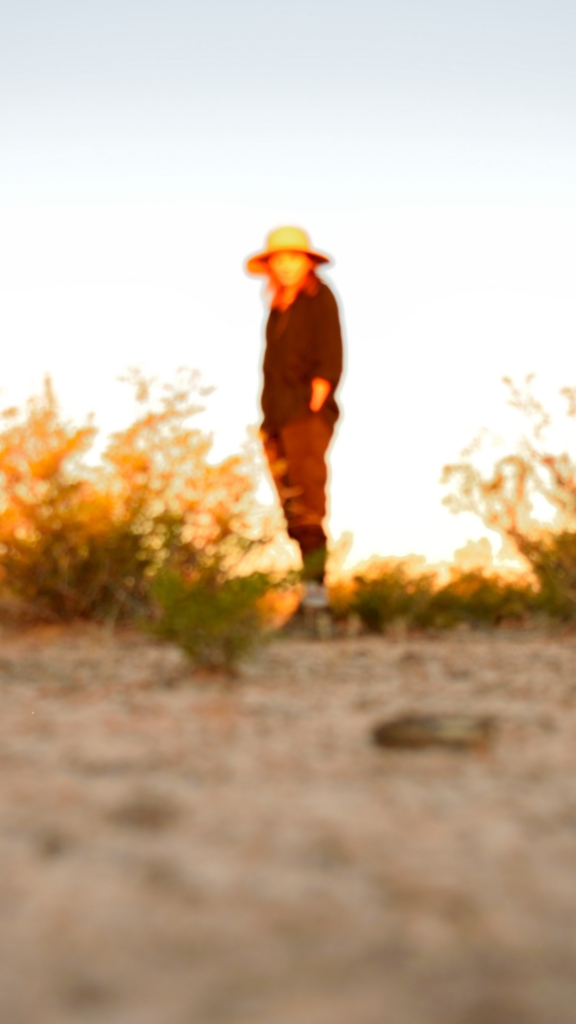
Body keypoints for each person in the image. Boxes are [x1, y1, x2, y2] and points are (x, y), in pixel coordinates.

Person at [245, 225, 344, 611]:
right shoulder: (276, 308)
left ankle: (318, 597)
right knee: (289, 503)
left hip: (305, 414)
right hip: (275, 417)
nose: (286, 266)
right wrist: (267, 422)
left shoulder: (319, 297)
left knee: (308, 501)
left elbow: (331, 350)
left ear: (307, 261)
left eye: (293, 258)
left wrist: (317, 398)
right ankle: (309, 593)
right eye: (279, 260)